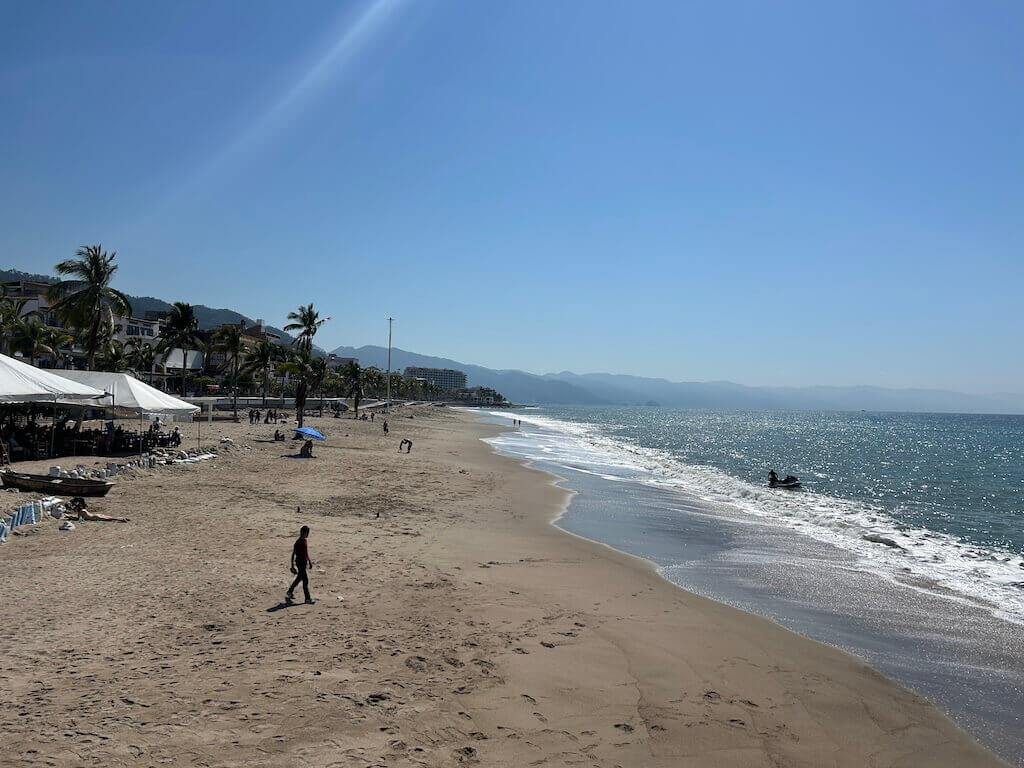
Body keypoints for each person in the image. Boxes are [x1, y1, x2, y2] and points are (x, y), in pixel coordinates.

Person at [286, 525, 314, 604]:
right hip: (300, 564)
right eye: (307, 533)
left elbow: (306, 552)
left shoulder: (304, 540)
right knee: (305, 580)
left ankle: (290, 591)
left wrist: (309, 561)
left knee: (299, 578)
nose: (308, 534)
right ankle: (307, 599)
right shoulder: (298, 542)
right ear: (304, 533)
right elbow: (293, 554)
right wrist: (292, 566)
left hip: (303, 563)